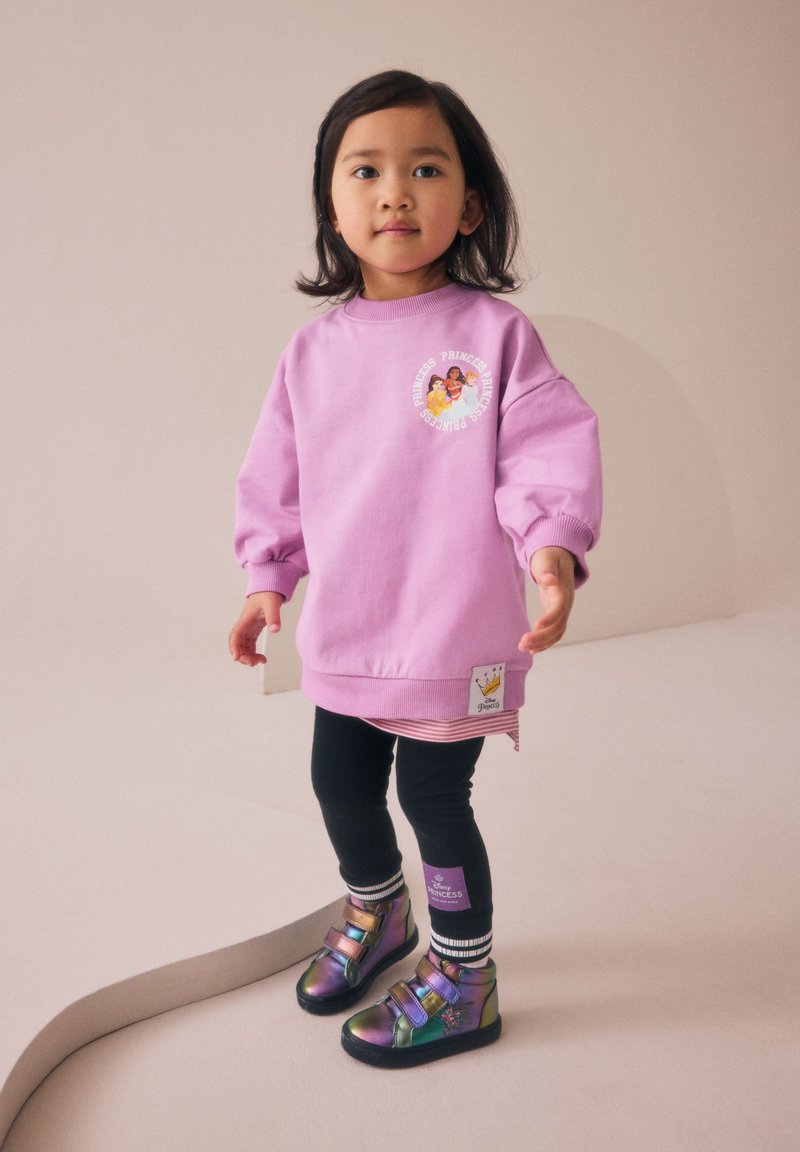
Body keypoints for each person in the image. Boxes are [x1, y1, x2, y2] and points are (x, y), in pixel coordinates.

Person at [229, 70, 602, 1068]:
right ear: (332, 207)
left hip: (452, 632)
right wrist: (266, 577)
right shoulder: (311, 355)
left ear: (469, 204)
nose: (395, 192)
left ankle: (464, 977)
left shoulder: (493, 338)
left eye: (425, 169)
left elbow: (543, 450)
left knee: (434, 802)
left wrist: (551, 545)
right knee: (338, 786)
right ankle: (378, 910)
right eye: (366, 171)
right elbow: (277, 478)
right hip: (350, 630)